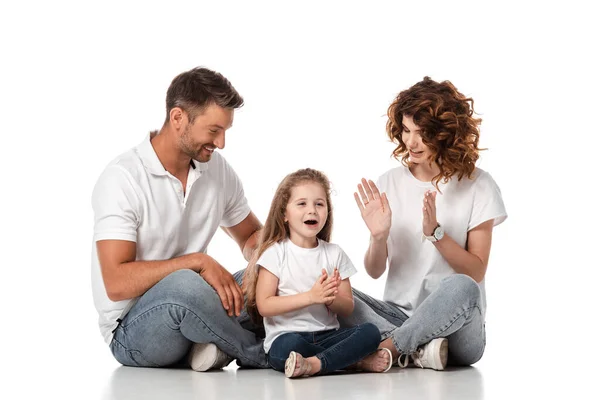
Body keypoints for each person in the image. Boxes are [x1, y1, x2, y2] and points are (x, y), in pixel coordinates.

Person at [91, 67, 268, 371]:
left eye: (225, 131)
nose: (222, 142)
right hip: (132, 331)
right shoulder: (123, 178)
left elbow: (251, 236)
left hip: (199, 303)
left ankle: (365, 332)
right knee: (186, 284)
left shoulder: (216, 169)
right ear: (178, 118)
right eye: (214, 131)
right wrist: (196, 262)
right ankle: (267, 354)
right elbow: (116, 283)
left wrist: (283, 258)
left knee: (270, 273)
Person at [343, 77, 507, 370]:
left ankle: (388, 349)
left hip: (459, 330)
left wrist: (436, 234)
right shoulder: (389, 183)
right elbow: (375, 271)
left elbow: (476, 270)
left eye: (422, 133)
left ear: (445, 133)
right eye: (406, 130)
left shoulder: (478, 185)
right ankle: (421, 352)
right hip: (397, 315)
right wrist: (378, 237)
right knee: (337, 291)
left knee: (463, 287)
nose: (411, 142)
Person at [243, 168, 393, 378]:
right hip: (287, 337)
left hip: (327, 336)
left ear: (327, 212)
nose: (312, 210)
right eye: (302, 203)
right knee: (290, 348)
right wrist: (311, 297)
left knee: (370, 333)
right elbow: (265, 306)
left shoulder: (334, 253)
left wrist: (329, 299)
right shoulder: (275, 253)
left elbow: (348, 307)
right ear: (284, 213)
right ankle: (350, 361)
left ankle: (313, 364)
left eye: (319, 204)